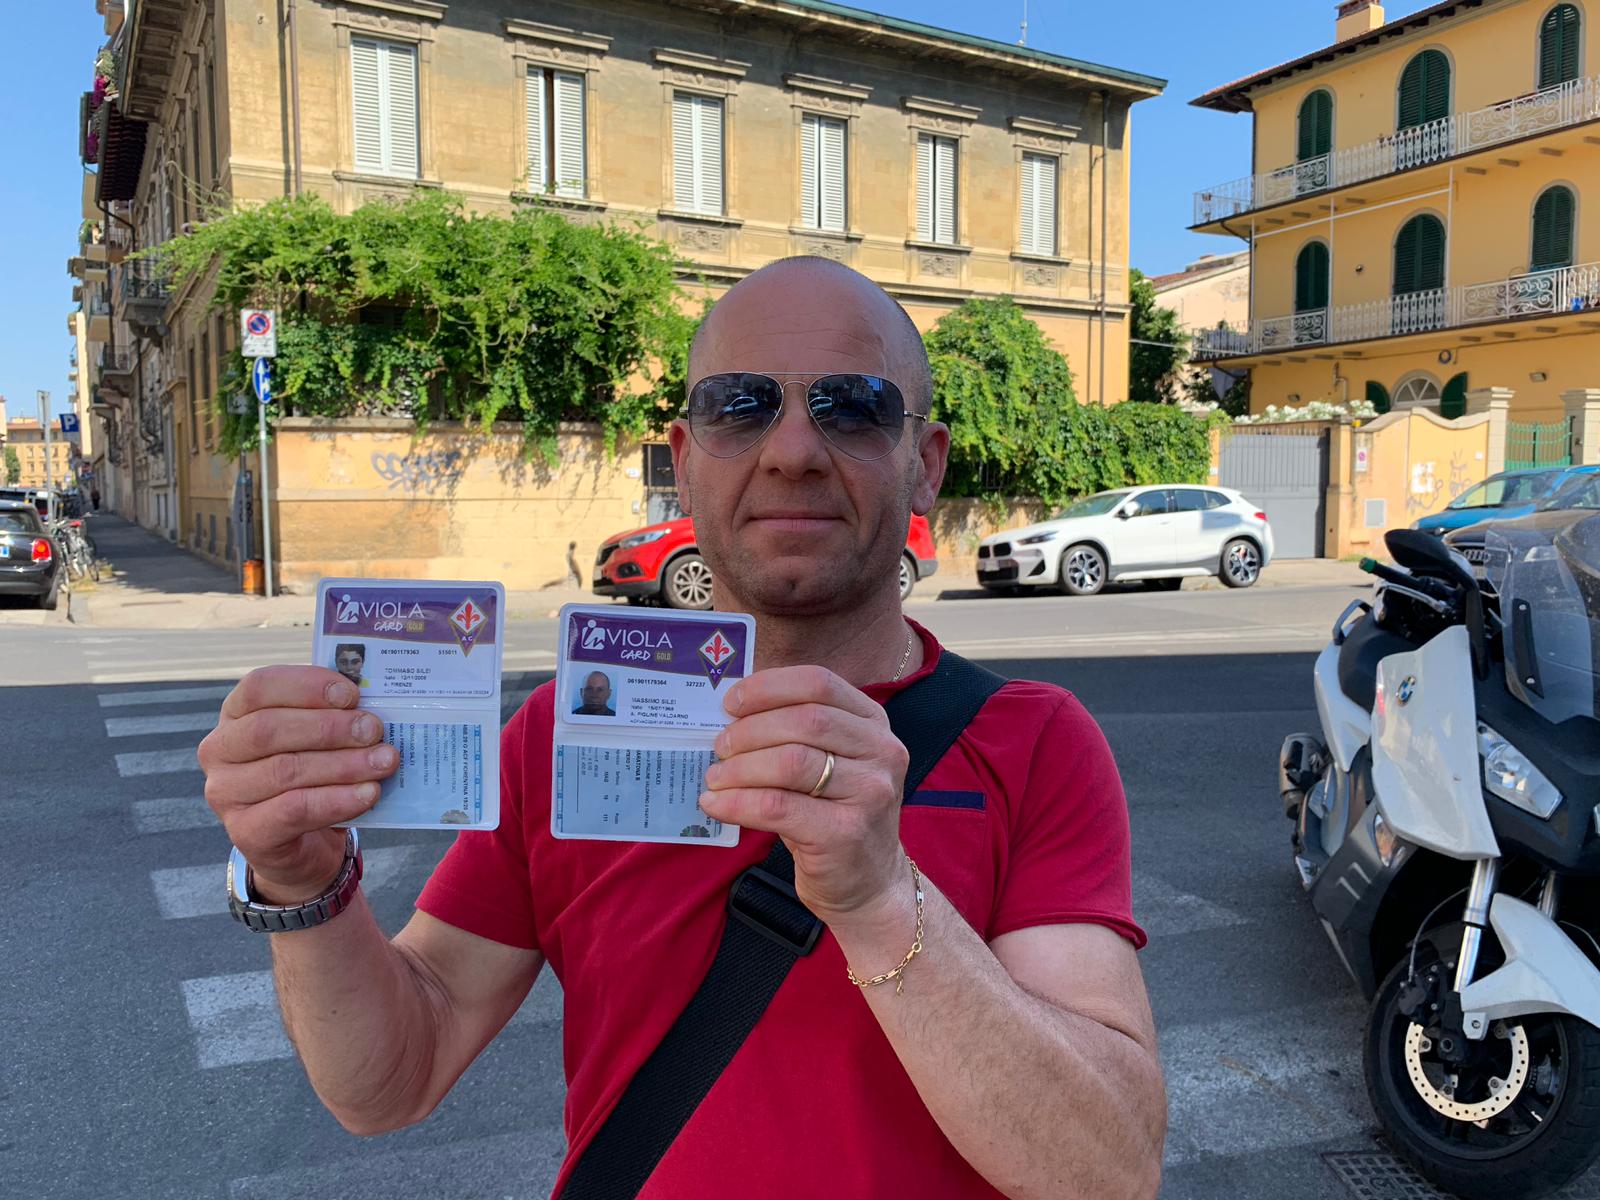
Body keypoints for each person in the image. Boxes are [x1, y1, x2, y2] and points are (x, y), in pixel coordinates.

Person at [197, 257, 1166, 1199]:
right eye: (740, 406)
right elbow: (388, 1081)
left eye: (854, 406)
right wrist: (303, 884)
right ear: (686, 459)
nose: (792, 452)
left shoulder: (1035, 744)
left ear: (926, 465)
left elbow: (1106, 1169)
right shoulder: (562, 733)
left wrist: (879, 897)